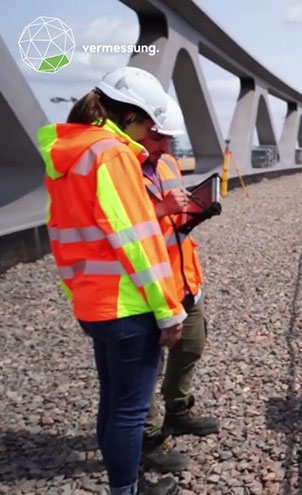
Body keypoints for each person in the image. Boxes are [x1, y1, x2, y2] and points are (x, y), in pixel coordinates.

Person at [39, 66, 186, 495]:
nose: (149, 136)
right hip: (129, 305)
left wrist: (77, 292)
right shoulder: (113, 155)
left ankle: (128, 484)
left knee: (114, 403)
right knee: (130, 410)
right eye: (149, 126)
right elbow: (137, 239)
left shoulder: (71, 155)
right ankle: (127, 489)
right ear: (130, 117)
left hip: (94, 301)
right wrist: (168, 310)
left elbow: (63, 233)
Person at [137, 96, 221, 473]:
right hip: (151, 288)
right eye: (159, 139)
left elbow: (174, 217)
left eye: (170, 139)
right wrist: (161, 211)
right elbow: (121, 232)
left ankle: (179, 409)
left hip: (185, 278)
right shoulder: (121, 171)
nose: (166, 148)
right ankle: (150, 438)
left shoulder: (167, 162)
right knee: (145, 367)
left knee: (191, 346)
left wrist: (193, 210)